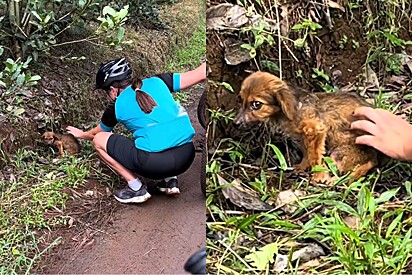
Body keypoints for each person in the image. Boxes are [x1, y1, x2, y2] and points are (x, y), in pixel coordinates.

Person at [66, 57, 206, 204]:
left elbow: (96, 133)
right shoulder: (160, 81)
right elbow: (201, 73)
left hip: (154, 164)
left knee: (99, 140)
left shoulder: (115, 106)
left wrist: (81, 134)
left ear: (113, 90)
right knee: (158, 130)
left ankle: (135, 188)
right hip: (186, 156)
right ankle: (170, 181)